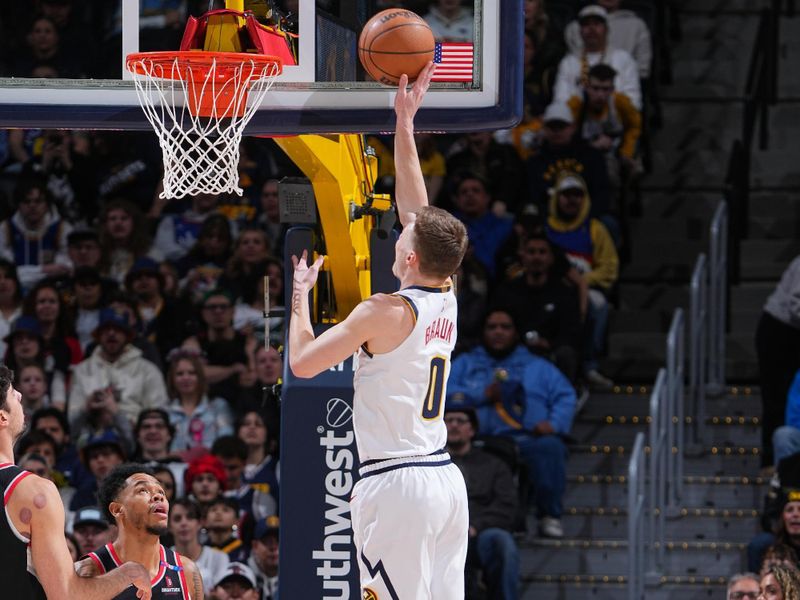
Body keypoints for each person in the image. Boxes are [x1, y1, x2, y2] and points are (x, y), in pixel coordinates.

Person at [289, 63, 469, 599]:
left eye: (402, 233)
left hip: (397, 485)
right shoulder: (446, 293)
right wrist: (404, 125)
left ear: (410, 255)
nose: (397, 227)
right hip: (443, 480)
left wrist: (300, 294)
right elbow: (418, 209)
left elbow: (302, 363)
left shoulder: (382, 310)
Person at [0, 365, 152, 599]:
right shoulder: (32, 492)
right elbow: (67, 595)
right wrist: (127, 574)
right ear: (2, 416)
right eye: (12, 393)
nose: (20, 395)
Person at [447, 309, 577, 538]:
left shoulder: (538, 366)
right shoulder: (464, 363)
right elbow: (442, 393)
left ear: (516, 333)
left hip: (524, 438)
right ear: (483, 331)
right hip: (475, 439)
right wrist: (481, 393)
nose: (498, 332)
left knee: (551, 447)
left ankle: (549, 516)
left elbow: (566, 395)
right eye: (492, 327)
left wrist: (554, 423)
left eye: (505, 327)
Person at [75, 463, 204, 599]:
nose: (158, 497)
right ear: (117, 510)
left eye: (161, 492)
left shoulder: (186, 571)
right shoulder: (88, 571)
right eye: (143, 490)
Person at [545, 171, 619, 389]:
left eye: (577, 194)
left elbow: (609, 267)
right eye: (566, 194)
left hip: (585, 289)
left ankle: (589, 366)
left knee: (599, 304)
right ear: (556, 197)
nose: (572, 200)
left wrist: (582, 280)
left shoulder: (595, 229)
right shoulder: (545, 228)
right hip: (548, 287)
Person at [445, 406, 519, 599]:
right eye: (448, 420)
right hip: (439, 534)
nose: (453, 425)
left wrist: (475, 526)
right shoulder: (428, 466)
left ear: (472, 430)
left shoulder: (494, 465)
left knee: (502, 543)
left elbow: (506, 506)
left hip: (479, 533)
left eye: (460, 421)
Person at [69, 307, 169, 427]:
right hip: (91, 437)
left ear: (127, 335)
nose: (111, 333)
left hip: (136, 436)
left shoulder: (148, 370)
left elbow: (159, 416)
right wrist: (86, 408)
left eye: (117, 329)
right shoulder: (82, 370)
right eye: (106, 329)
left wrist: (122, 418)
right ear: (98, 335)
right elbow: (71, 420)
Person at [757, 256, 800, 468]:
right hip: (779, 331)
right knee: (776, 398)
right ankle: (771, 464)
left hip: (794, 332)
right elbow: (796, 303)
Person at [554, 5, 641, 109]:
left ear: (607, 29)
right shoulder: (568, 62)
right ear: (580, 31)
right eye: (586, 25)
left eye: (597, 24)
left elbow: (634, 102)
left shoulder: (624, 59)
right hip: (576, 120)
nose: (591, 29)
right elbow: (560, 100)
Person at [165, 349, 234, 452]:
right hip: (173, 465)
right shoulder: (165, 410)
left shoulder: (218, 406)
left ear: (200, 377)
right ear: (172, 379)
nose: (186, 378)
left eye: (192, 373)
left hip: (211, 465)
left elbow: (226, 441)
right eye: (180, 374)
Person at [564, 0, 652, 80]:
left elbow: (643, 70)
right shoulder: (575, 27)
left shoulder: (637, 25)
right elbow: (572, 66)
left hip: (624, 85)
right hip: (582, 84)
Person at [170, 498, 229, 596]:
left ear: (200, 523)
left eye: (190, 517)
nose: (184, 523)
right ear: (169, 526)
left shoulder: (219, 558)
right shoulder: (160, 559)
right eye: (177, 519)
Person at [248, 516, 279, 600]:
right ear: (255, 546)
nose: (273, 547)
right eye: (267, 541)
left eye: (279, 541)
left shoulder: (295, 577)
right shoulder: (242, 577)